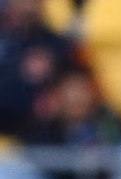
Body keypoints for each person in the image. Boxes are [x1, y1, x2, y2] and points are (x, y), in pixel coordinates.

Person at [0, 0, 77, 134]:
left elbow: (70, 84)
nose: (30, 6)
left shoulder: (54, 43)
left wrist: (55, 97)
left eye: (36, 2)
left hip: (33, 132)